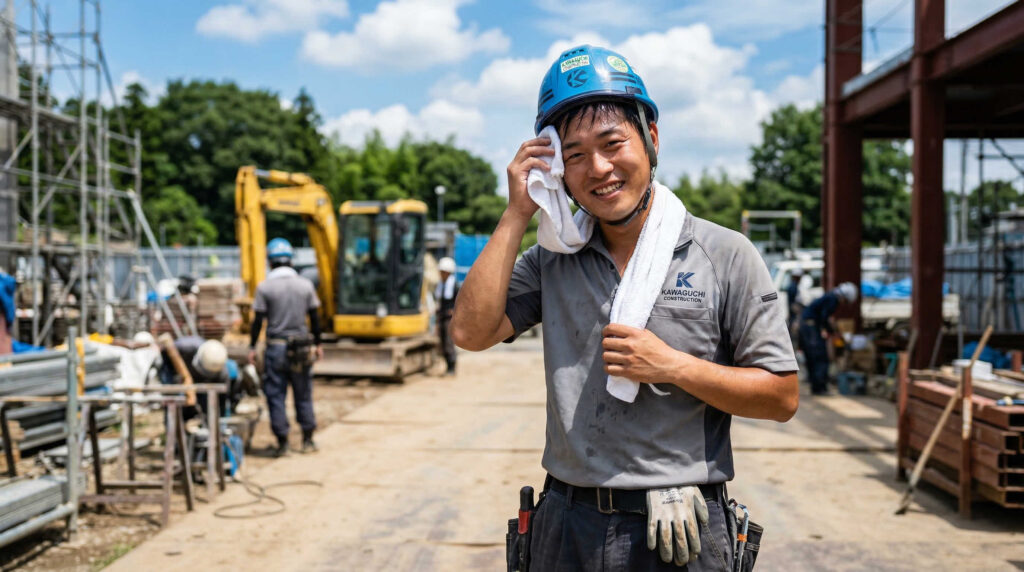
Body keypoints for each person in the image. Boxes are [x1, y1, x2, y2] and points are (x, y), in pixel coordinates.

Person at [451, 45, 799, 570]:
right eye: (573, 155)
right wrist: (517, 211)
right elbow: (471, 333)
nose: (598, 168)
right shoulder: (553, 259)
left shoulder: (724, 255)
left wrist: (672, 366)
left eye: (613, 143)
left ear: (651, 139)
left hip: (682, 528)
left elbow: (781, 396)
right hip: (568, 523)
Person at [248, 237, 323, 457]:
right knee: (303, 393)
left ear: (270, 262)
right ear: (291, 261)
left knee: (276, 395)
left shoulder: (265, 287)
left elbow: (257, 321)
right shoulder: (305, 285)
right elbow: (315, 318)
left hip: (276, 349)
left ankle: (283, 444)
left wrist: (252, 347)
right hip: (301, 349)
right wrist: (318, 344)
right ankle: (308, 440)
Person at [798, 281, 858, 396]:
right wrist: (832, 331)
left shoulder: (830, 296)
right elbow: (824, 317)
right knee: (820, 357)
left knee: (812, 356)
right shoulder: (833, 299)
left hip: (806, 326)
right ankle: (820, 387)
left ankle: (816, 386)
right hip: (810, 327)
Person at [159, 336, 241, 418]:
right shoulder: (185, 346)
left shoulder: (222, 372)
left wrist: (220, 419)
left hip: (198, 380)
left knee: (205, 401)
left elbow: (222, 400)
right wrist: (174, 376)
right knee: (175, 398)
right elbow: (165, 351)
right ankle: (173, 421)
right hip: (178, 371)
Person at [435, 256, 459, 375]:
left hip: (450, 319)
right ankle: (447, 366)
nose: (441, 274)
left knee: (449, 342)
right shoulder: (440, 285)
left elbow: (459, 302)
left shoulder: (454, 285)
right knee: (442, 342)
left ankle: (452, 367)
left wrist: (454, 311)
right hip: (441, 317)